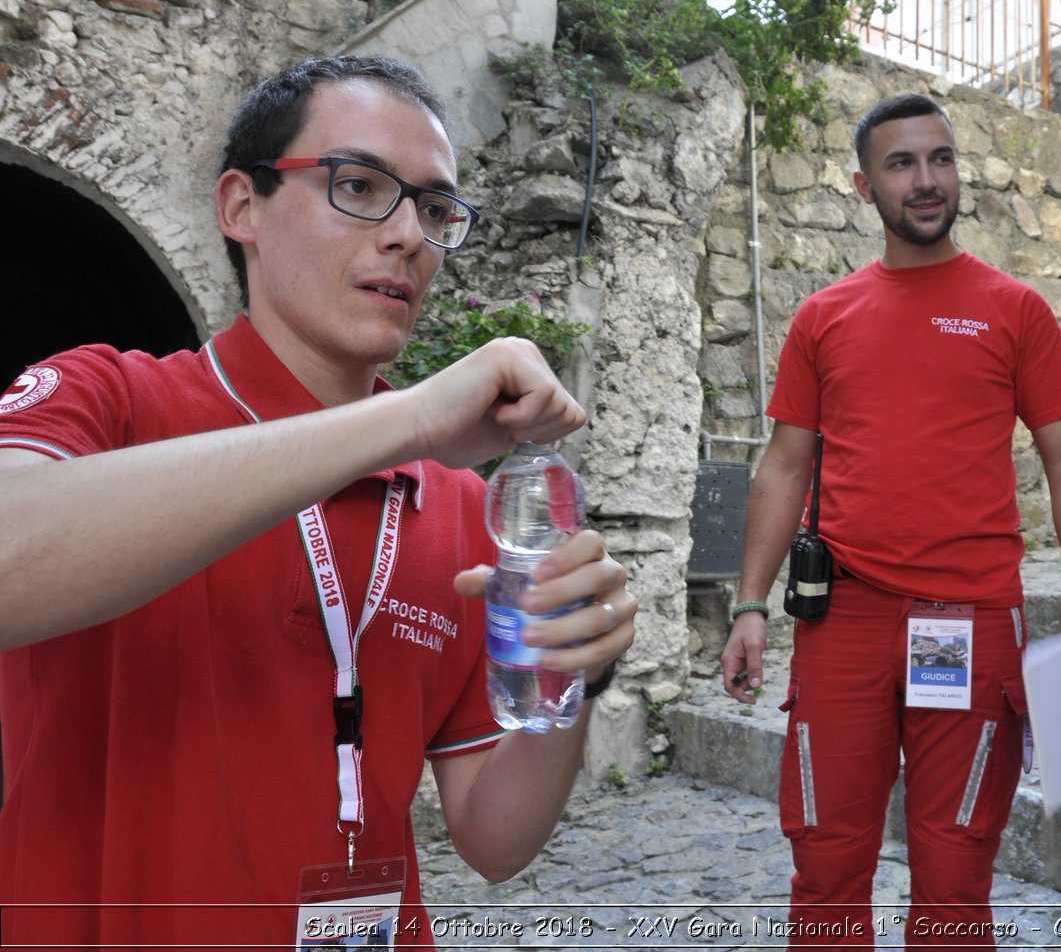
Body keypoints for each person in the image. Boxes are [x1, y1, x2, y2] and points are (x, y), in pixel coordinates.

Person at [0, 56, 636, 946]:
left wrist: (573, 670)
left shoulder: (455, 507)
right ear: (241, 206)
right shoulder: (108, 398)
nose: (409, 234)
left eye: (435, 207)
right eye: (361, 184)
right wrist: (409, 419)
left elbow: (495, 838)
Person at [721, 94, 1061, 947]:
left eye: (940, 158)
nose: (927, 178)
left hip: (968, 620)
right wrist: (750, 603)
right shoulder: (823, 316)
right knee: (825, 863)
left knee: (955, 873)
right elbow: (785, 465)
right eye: (902, 163)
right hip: (847, 620)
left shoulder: (1015, 309)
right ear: (864, 184)